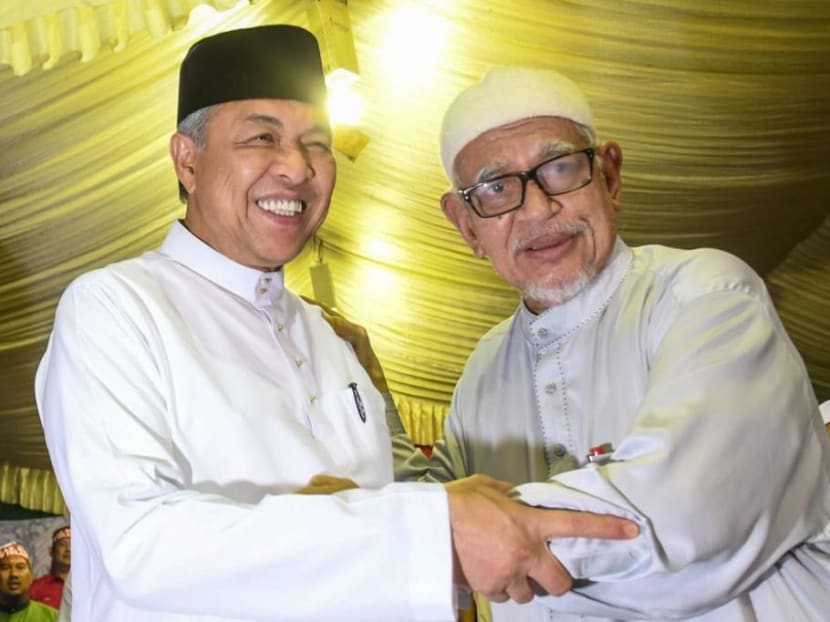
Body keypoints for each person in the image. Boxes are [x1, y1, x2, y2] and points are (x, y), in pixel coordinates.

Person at [34, 27, 637, 622]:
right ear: (187, 161)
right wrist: (431, 527)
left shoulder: (332, 341)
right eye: (262, 137)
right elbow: (141, 547)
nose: (297, 168)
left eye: (317, 143)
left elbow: (384, 528)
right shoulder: (116, 308)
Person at [425, 65, 830, 620]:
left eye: (561, 168)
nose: (538, 209)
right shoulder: (480, 375)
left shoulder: (704, 293)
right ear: (466, 226)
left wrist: (449, 539)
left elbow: (690, 518)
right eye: (496, 189)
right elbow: (430, 518)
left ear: (610, 178)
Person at [0, 542, 58, 622]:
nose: (14, 574)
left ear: (31, 576)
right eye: (5, 568)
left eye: (20, 567)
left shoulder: (53, 617)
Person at [29, 528, 69, 610]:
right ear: (51, 551)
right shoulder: (36, 587)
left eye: (73, 545)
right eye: (62, 544)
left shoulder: (90, 587)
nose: (68, 549)